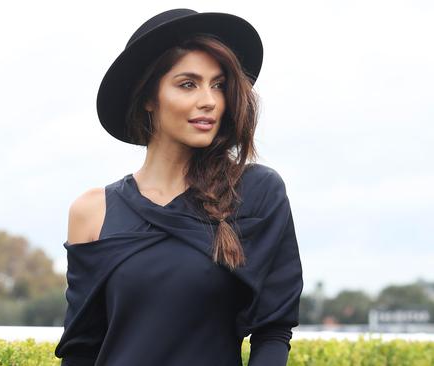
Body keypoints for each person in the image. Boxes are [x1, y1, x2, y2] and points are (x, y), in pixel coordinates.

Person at [54, 8, 303, 366]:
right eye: (188, 84)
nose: (210, 100)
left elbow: (273, 331)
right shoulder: (92, 211)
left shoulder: (256, 191)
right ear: (148, 98)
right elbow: (80, 350)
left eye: (218, 85)